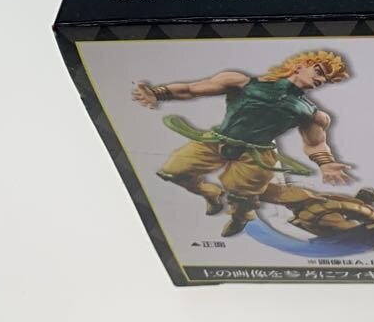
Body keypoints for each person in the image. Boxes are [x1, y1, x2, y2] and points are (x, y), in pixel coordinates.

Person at [132, 49, 351, 236]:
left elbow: (315, 143)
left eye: (326, 79)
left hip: (257, 154)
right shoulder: (242, 82)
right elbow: (192, 89)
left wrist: (327, 163)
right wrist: (157, 94)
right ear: (300, 65)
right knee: (173, 171)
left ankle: (240, 218)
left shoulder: (312, 113)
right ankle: (210, 193)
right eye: (319, 71)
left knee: (243, 197)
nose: (321, 80)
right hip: (216, 140)